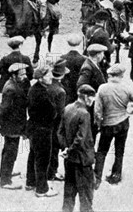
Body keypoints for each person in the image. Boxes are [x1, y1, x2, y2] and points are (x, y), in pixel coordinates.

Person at [94, 64, 133, 187]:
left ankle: (96, 178)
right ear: (121, 76)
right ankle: (116, 175)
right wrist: (132, 112)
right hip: (123, 122)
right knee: (119, 150)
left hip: (108, 123)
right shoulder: (126, 89)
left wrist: (99, 123)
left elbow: (97, 111)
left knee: (102, 151)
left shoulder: (102, 89)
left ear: (110, 75)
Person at [58, 84, 97, 212]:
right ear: (85, 97)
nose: (93, 101)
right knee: (86, 194)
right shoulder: (84, 114)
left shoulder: (68, 108)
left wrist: (65, 149)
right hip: (82, 160)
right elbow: (80, 138)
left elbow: (60, 132)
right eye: (91, 98)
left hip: (69, 160)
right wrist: (69, 150)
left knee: (69, 192)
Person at [26, 65, 60, 198]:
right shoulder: (43, 93)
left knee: (33, 154)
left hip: (34, 127)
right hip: (43, 129)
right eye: (48, 75)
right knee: (43, 159)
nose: (51, 76)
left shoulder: (33, 89)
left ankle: (31, 181)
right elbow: (53, 113)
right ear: (40, 78)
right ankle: (42, 189)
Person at [0, 62, 30, 190]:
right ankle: (5, 181)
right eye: (21, 74)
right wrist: (0, 122)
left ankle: (6, 173)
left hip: (15, 123)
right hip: (11, 125)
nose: (25, 76)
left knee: (11, 150)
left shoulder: (16, 84)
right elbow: (4, 108)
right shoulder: (10, 88)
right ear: (14, 75)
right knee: (10, 151)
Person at [60, 34, 87, 104]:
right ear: (80, 44)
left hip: (66, 89)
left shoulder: (62, 58)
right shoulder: (83, 59)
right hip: (78, 89)